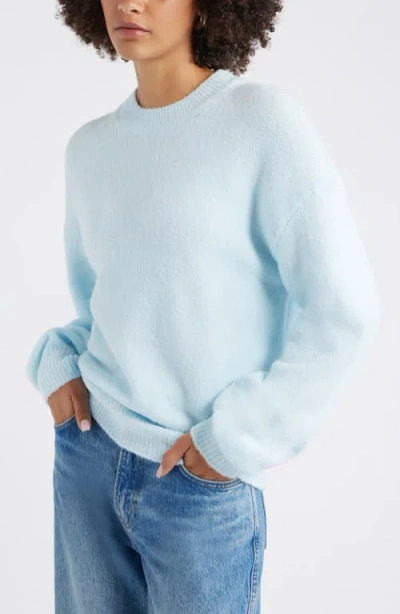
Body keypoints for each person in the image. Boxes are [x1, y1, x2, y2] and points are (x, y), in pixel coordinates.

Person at [25, 1, 381, 612]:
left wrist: (236, 441)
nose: (129, 3)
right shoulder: (89, 150)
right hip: (89, 460)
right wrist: (56, 364)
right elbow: (101, 309)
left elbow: (344, 309)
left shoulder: (261, 124)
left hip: (197, 488)